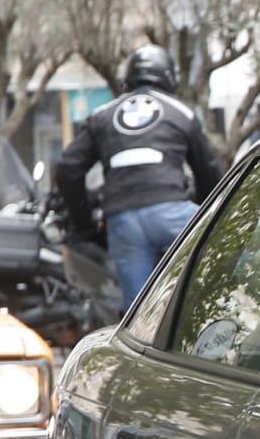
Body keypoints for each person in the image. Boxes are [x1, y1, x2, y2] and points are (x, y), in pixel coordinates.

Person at [54, 46, 222, 306]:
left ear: (128, 79)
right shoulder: (181, 113)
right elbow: (209, 174)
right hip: (172, 215)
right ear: (169, 77)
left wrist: (84, 222)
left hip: (124, 222)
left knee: (139, 314)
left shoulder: (102, 115)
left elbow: (67, 169)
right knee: (217, 274)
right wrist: (205, 213)